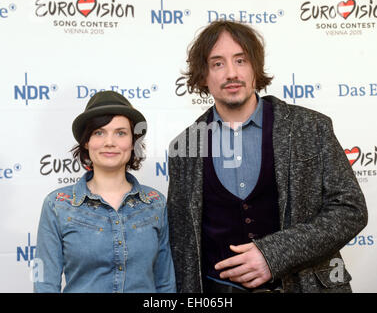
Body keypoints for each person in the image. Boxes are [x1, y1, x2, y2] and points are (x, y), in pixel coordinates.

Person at [167, 20, 368, 293]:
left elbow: (350, 210)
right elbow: (183, 247)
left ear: (255, 67)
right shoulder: (185, 147)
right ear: (203, 76)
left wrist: (273, 254)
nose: (231, 73)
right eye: (217, 63)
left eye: (241, 60)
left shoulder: (310, 127)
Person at [34, 90, 176, 293]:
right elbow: (45, 285)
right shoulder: (57, 205)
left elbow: (165, 283)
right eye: (99, 132)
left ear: (132, 141)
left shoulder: (155, 203)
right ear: (86, 142)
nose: (110, 142)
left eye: (120, 133)